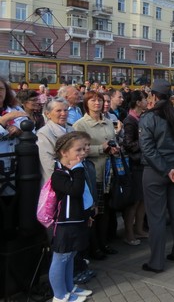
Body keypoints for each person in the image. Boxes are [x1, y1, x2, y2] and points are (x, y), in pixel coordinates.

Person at [139, 79, 174, 273]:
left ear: (153, 96)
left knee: (156, 217)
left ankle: (156, 262)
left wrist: (167, 170)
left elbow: (148, 149)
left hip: (156, 172)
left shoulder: (148, 118)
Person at [73, 91, 121, 260]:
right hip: (94, 173)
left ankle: (104, 243)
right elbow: (78, 150)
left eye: (99, 100)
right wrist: (101, 148)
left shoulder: (108, 122)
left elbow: (113, 142)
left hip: (109, 172)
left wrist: (114, 148)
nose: (97, 103)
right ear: (86, 103)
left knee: (106, 211)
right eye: (92, 100)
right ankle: (94, 248)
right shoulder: (80, 125)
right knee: (95, 212)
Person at [48, 131, 95, 302]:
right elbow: (75, 191)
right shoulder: (59, 174)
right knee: (61, 258)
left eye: (84, 149)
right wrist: (78, 170)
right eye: (78, 150)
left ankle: (69, 288)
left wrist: (87, 214)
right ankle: (59, 295)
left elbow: (85, 195)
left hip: (78, 219)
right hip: (65, 223)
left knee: (70, 256)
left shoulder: (75, 171)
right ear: (64, 152)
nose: (82, 153)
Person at [121, 90, 149, 245]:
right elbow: (129, 144)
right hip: (135, 165)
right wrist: (146, 141)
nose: (147, 101)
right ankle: (129, 233)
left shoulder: (141, 117)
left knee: (142, 199)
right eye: (145, 99)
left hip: (143, 163)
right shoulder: (130, 120)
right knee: (134, 201)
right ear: (138, 102)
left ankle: (139, 229)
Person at [0, 77, 28, 198]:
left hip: (15, 166)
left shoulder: (15, 109)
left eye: (1, 89)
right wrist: (4, 120)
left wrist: (19, 129)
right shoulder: (11, 113)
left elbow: (29, 126)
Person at [37, 98, 72, 186]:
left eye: (65, 110)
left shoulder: (71, 129)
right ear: (48, 114)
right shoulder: (44, 133)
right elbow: (48, 163)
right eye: (58, 111)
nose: (63, 114)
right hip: (58, 181)